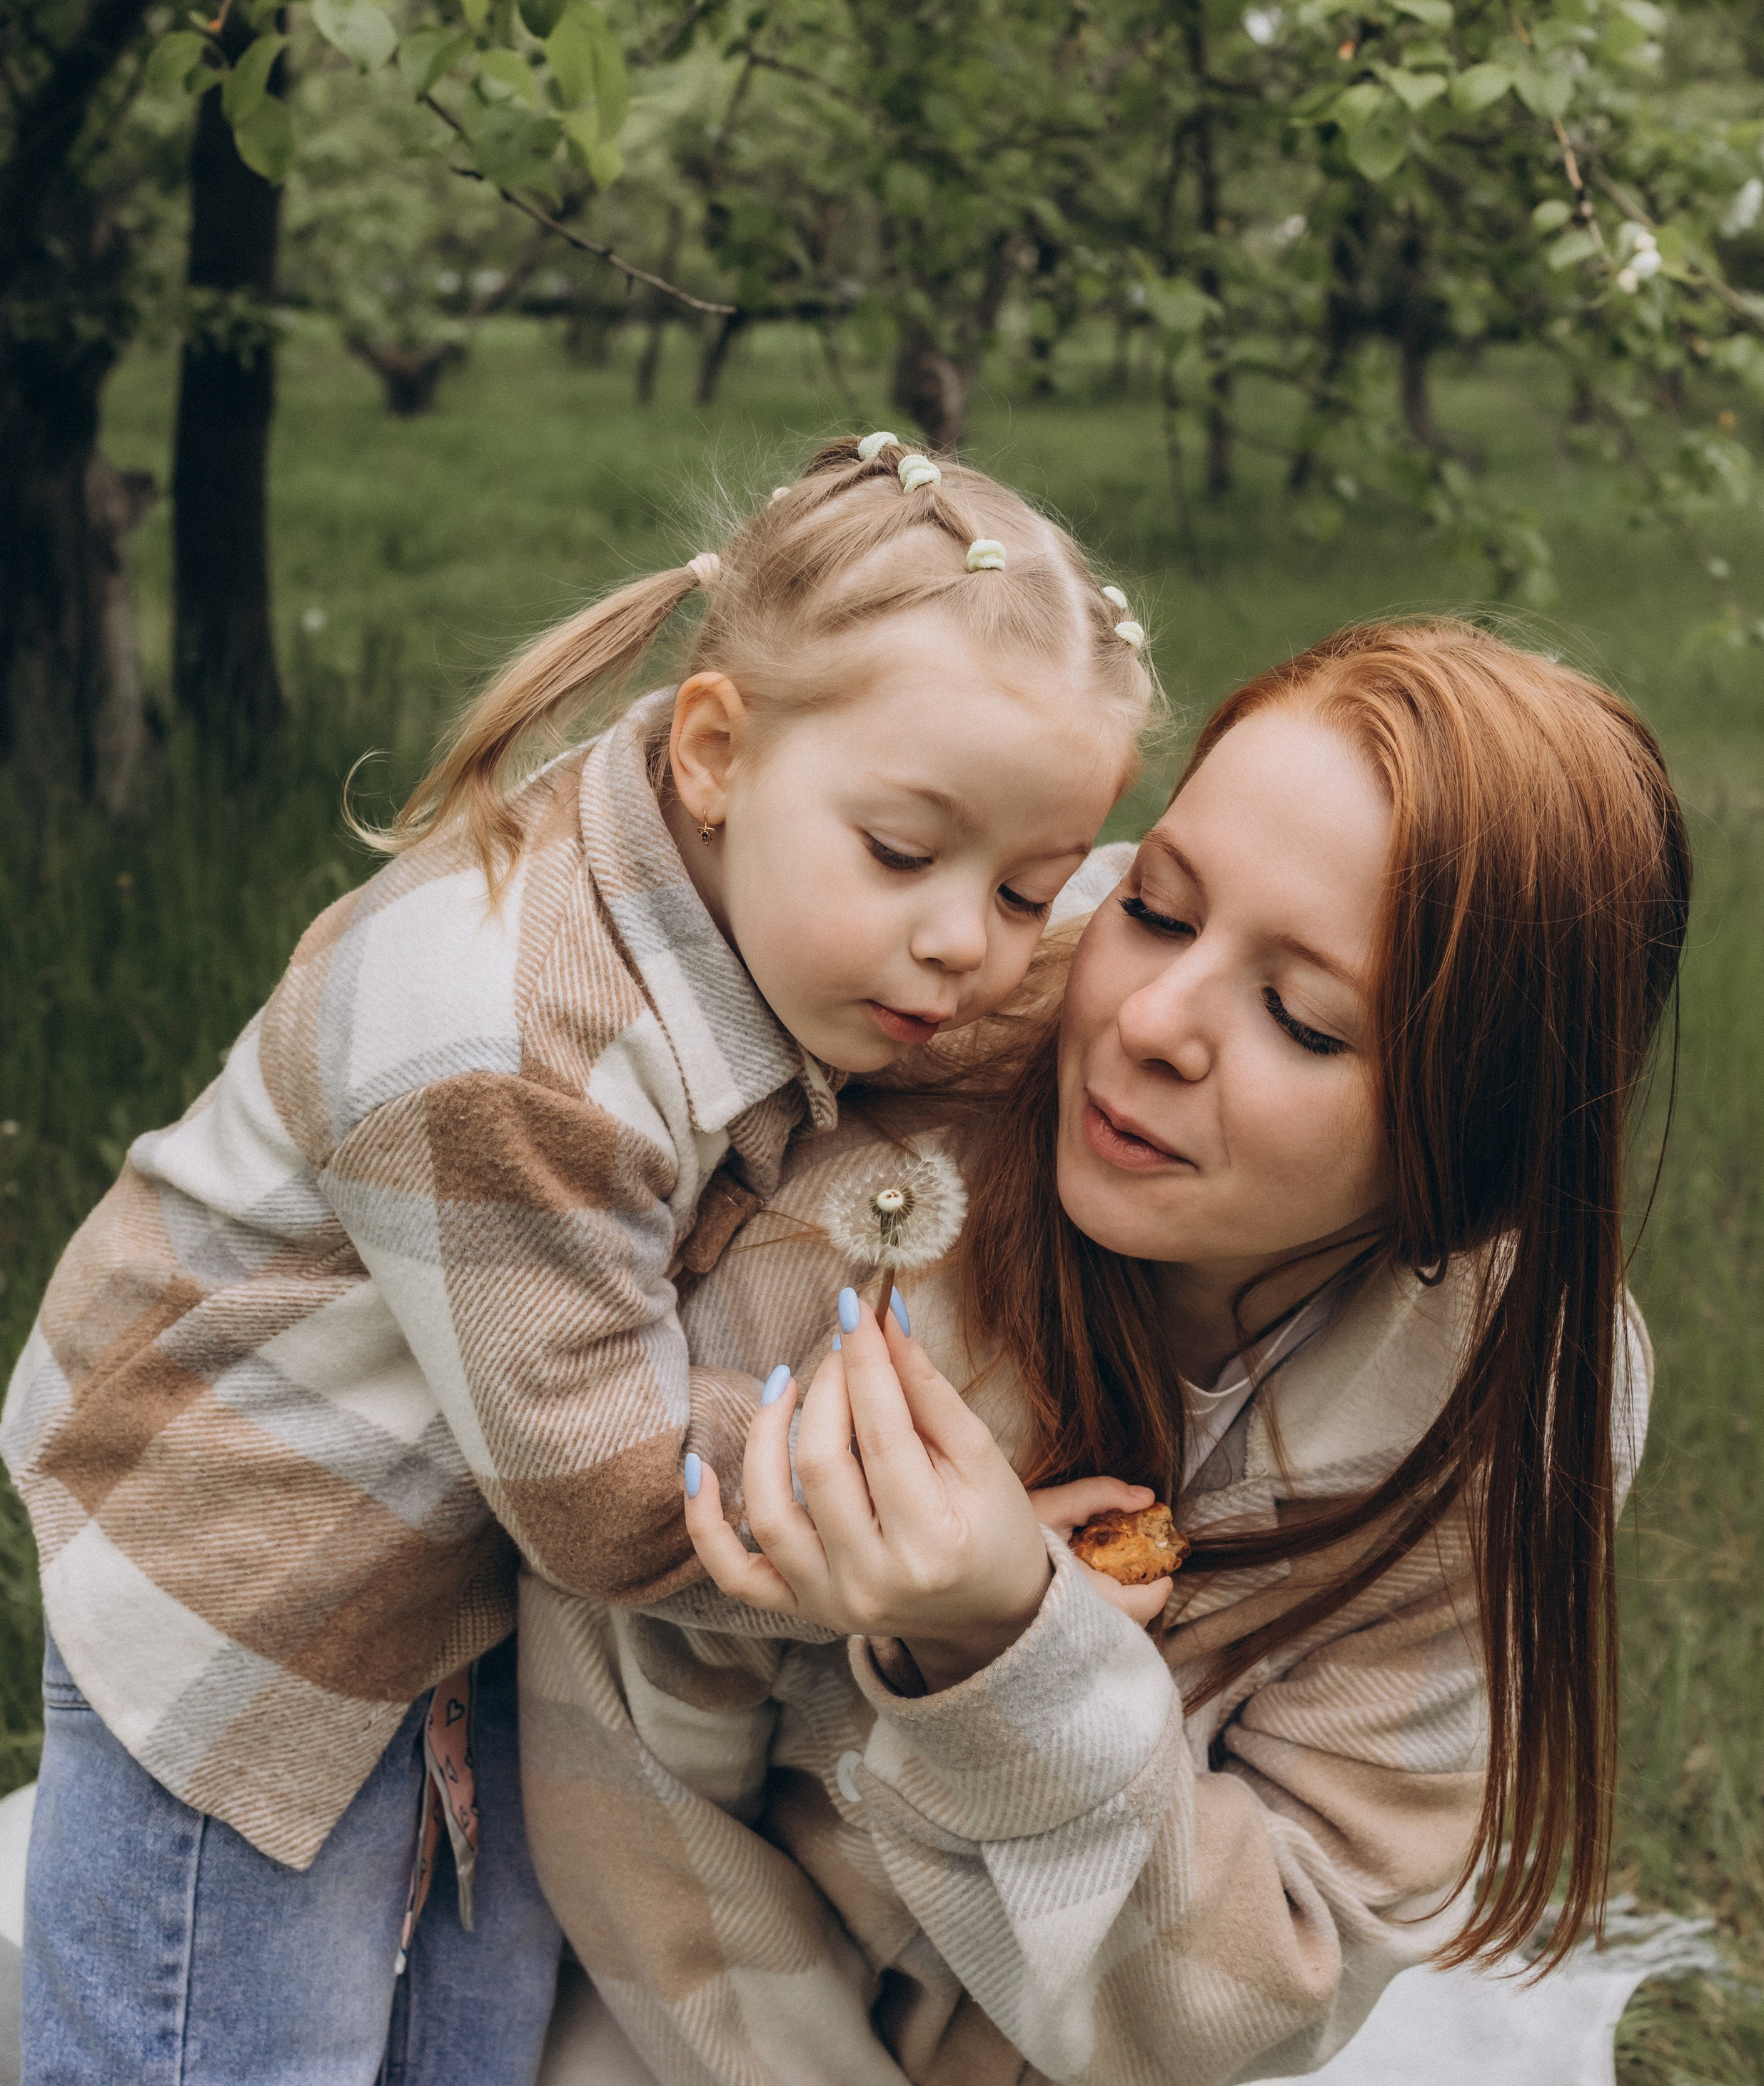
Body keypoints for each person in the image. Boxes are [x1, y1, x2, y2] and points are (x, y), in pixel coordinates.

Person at [0, 435, 1150, 2086]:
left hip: (455, 1586)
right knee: (219, 2050)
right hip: (250, 1593)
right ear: (713, 751)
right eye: (906, 856)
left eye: (1025, 890)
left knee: (468, 2050)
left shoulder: (752, 879)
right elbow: (608, 1486)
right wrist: (927, 1531)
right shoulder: (507, 1054)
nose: (964, 941)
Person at [518, 618, 1690, 2086]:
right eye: (1153, 904)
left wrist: (1001, 1645)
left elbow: (1263, 1990)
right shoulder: (855, 1210)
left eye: (1298, 1019)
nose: (1148, 1022)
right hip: (701, 1993)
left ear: (1477, 1148)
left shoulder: (1511, 1398)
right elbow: (631, 1792)